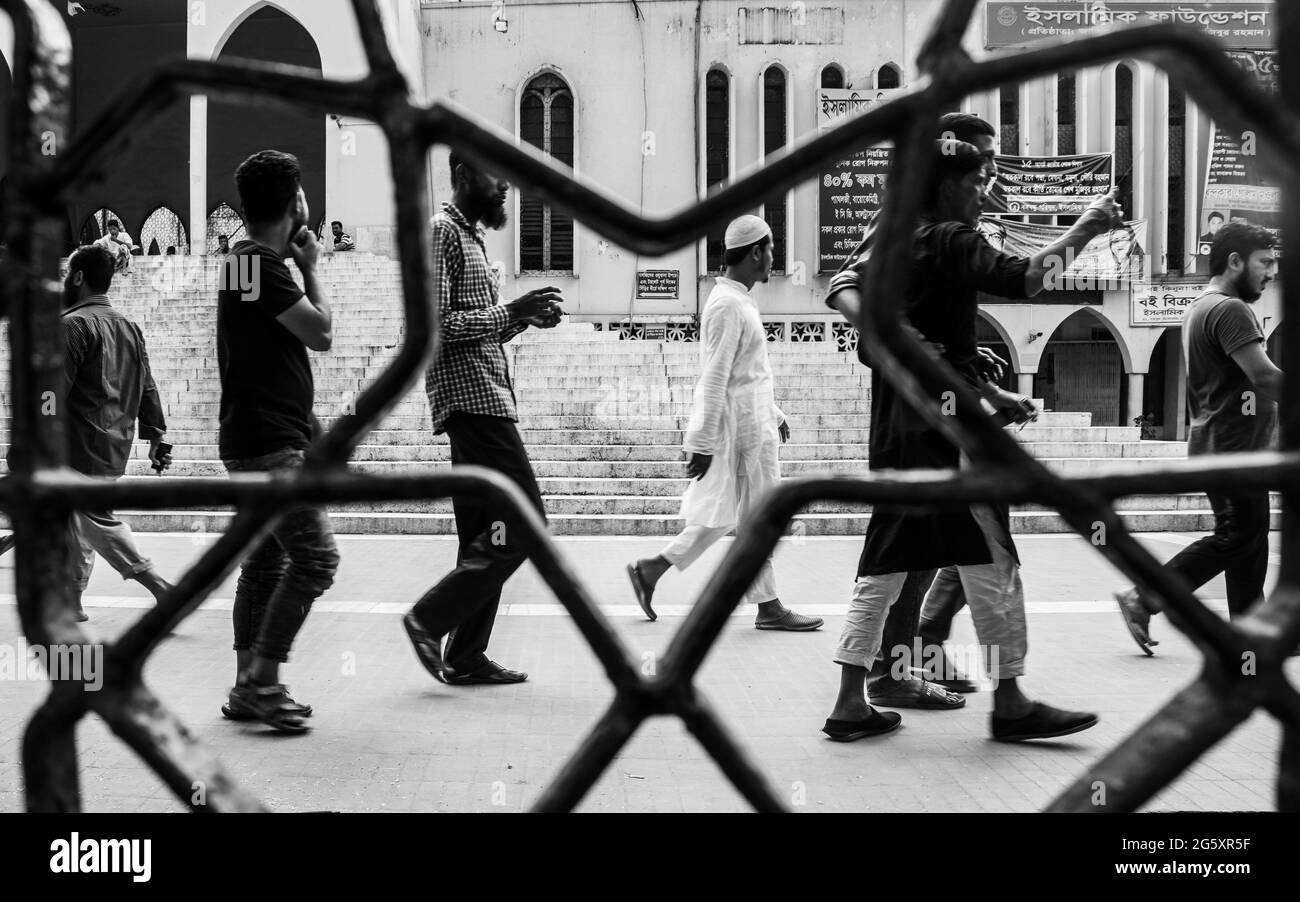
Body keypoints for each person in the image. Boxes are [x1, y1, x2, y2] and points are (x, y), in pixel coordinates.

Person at [821, 138, 1120, 742]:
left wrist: (961, 372)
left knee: (886, 561)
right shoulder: (949, 238)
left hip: (899, 428)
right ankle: (1009, 699)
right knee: (994, 561)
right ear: (943, 185)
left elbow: (848, 292)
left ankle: (850, 697)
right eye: (978, 177)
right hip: (949, 434)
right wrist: (1086, 228)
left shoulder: (894, 235)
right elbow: (1031, 279)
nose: (987, 190)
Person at [402, 152, 563, 686]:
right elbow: (436, 327)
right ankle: (430, 618)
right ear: (467, 174)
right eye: (499, 178)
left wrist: (522, 321)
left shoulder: (472, 238)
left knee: (482, 534)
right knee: (523, 521)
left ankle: (464, 655)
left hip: (486, 395)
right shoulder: (442, 234)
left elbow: (478, 330)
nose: (506, 191)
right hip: (473, 404)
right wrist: (511, 310)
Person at [625, 215, 822, 631]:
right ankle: (767, 606)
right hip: (741, 431)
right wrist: (699, 439)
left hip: (754, 424)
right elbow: (714, 375)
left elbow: (747, 371)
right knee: (758, 518)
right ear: (755, 252)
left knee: (733, 517)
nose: (773, 258)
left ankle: (653, 570)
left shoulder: (738, 300)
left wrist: (776, 412)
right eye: (770, 250)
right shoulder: (727, 305)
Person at [217, 150, 339, 732]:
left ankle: (248, 685)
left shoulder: (244, 263)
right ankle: (264, 679)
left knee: (265, 562)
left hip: (254, 434)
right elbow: (320, 333)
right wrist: (312, 265)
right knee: (316, 558)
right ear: (297, 203)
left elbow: (259, 353)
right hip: (268, 444)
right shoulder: (261, 266)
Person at [1116, 222, 1280, 654]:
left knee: (1251, 537)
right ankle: (1146, 596)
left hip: (1232, 446)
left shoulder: (1202, 305)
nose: (1271, 272)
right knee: (1237, 536)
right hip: (1232, 449)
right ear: (1235, 261)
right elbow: (1263, 376)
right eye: (1264, 262)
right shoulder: (1229, 309)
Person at [33, 245, 175, 620]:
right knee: (77, 524)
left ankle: (158, 585)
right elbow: (148, 386)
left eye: (67, 275)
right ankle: (71, 599)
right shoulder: (129, 327)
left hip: (76, 445)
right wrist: (156, 435)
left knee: (91, 520)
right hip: (115, 445)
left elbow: (50, 393)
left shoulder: (71, 326)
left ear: (77, 277)